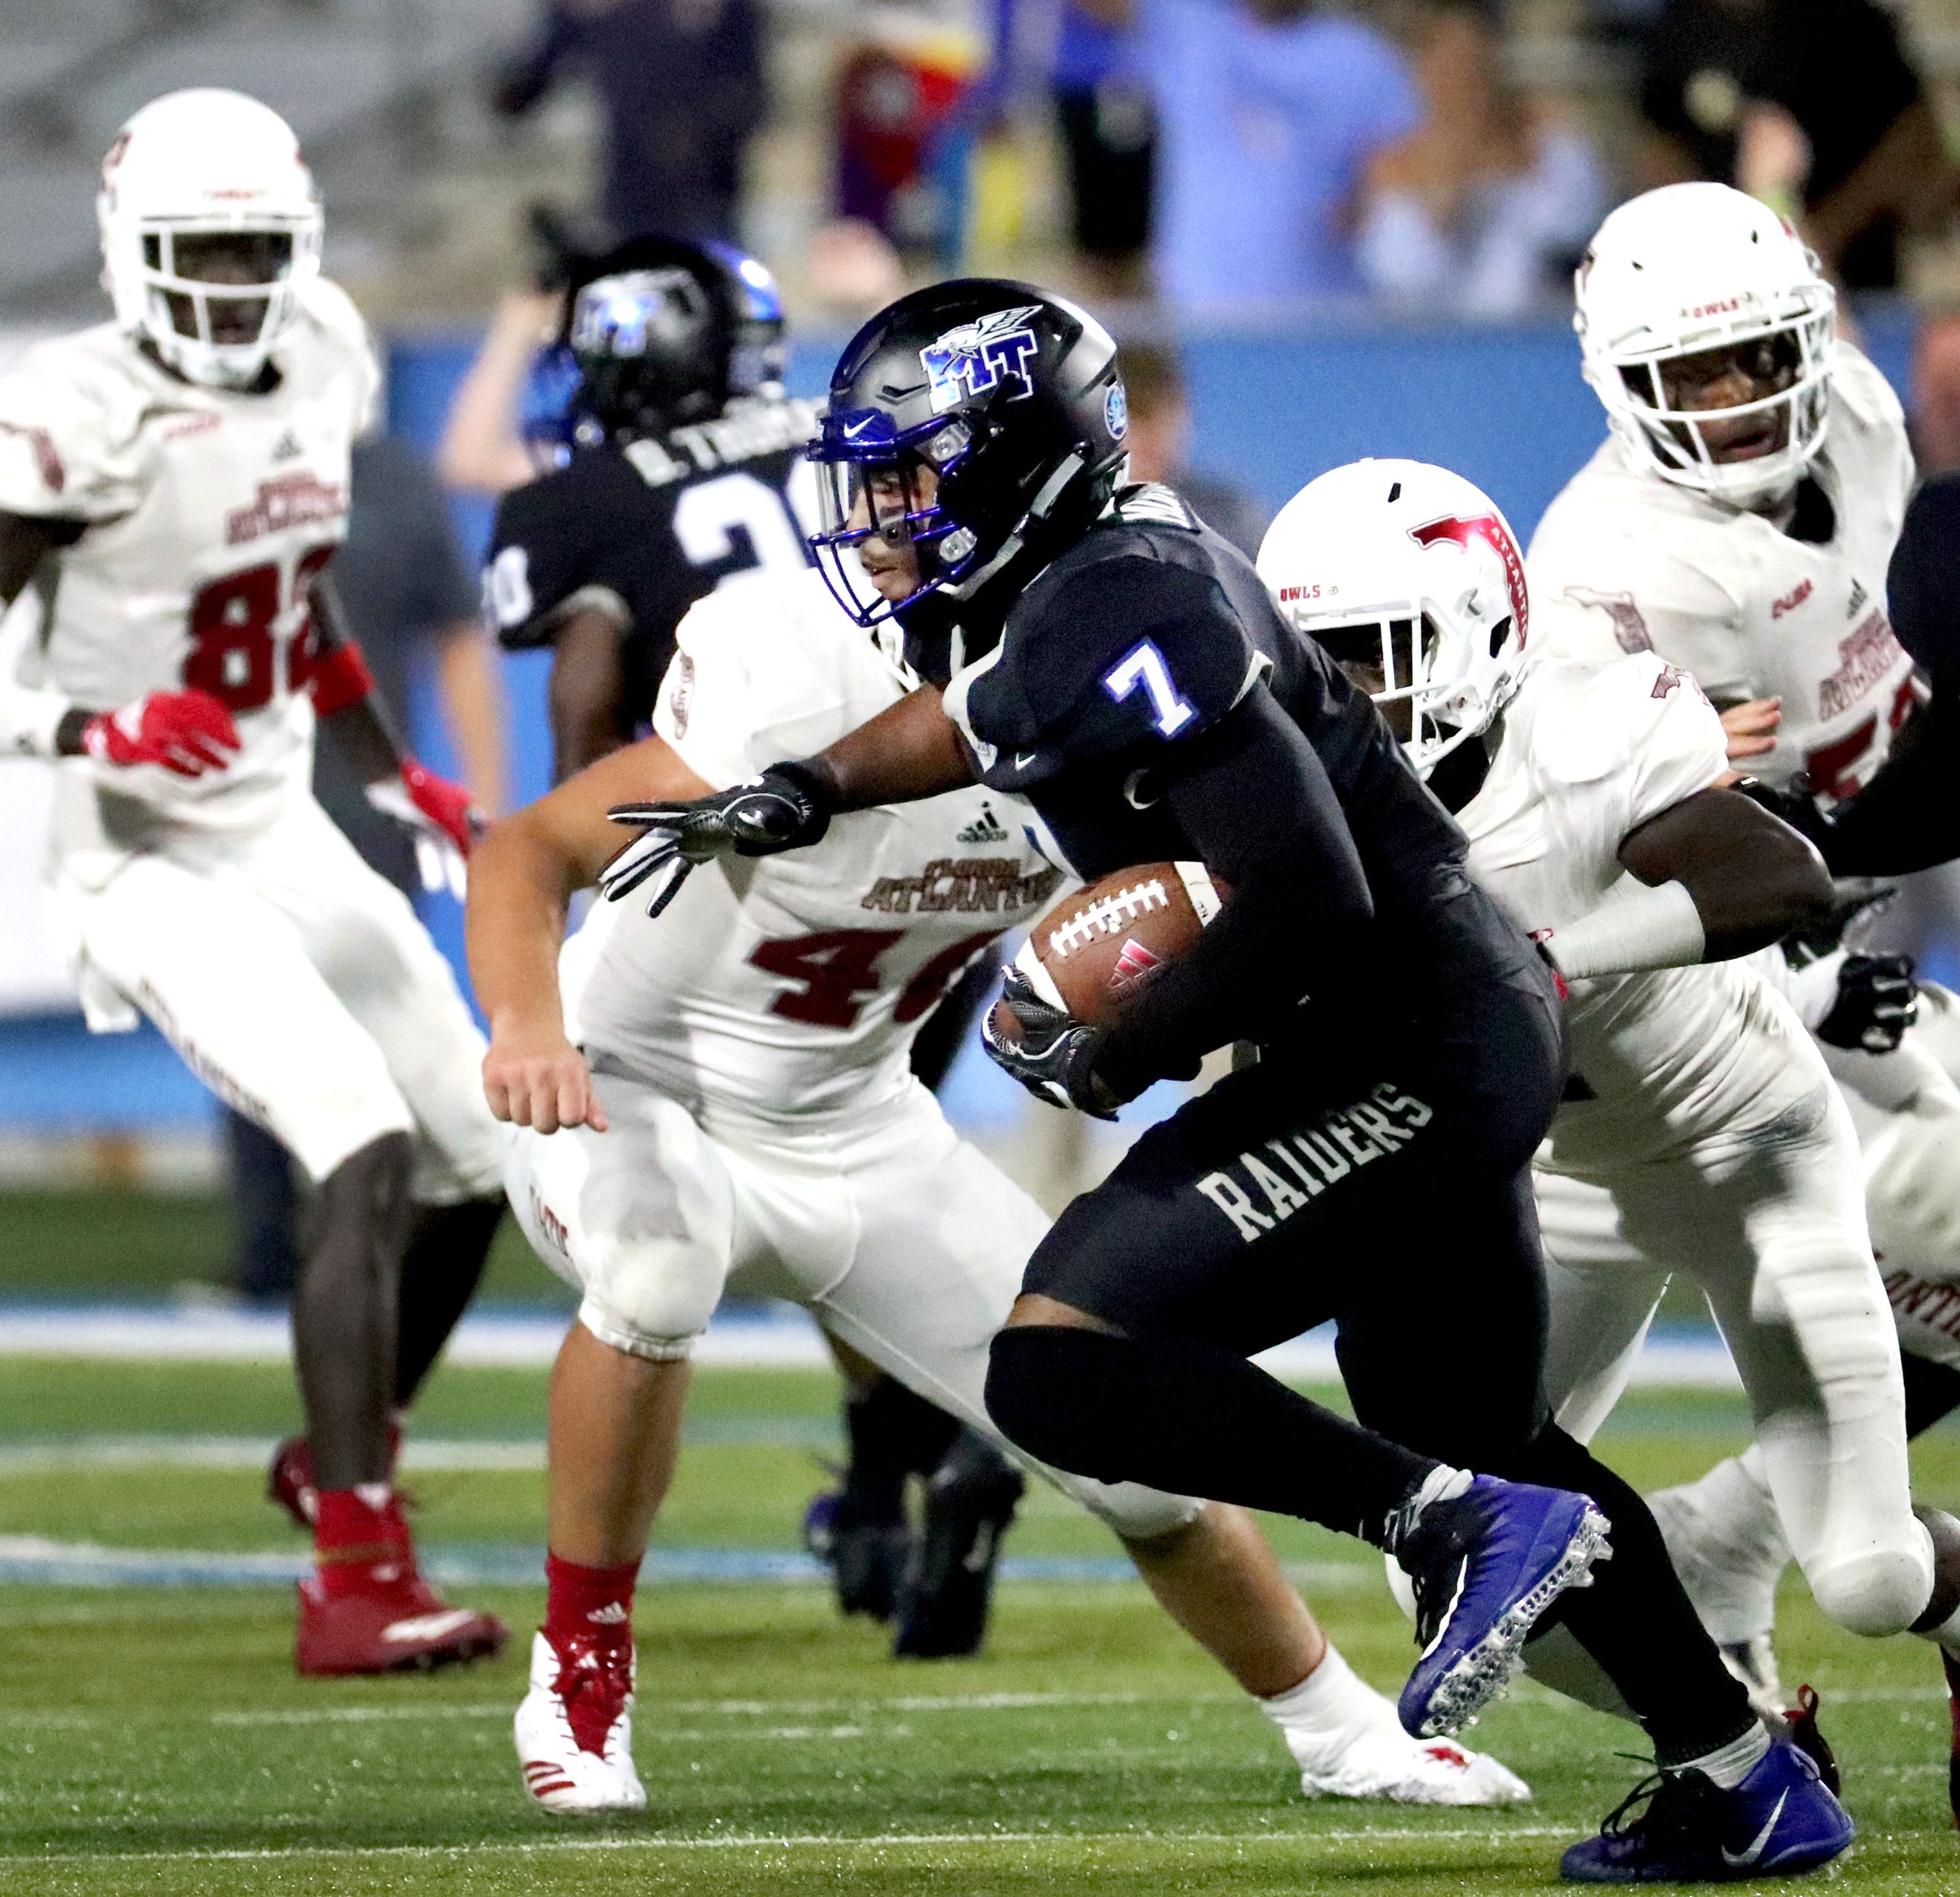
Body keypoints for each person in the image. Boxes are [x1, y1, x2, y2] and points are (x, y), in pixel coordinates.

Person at [582, 277, 1850, 1879]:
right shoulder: (1073, 587)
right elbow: (969, 721)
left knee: (1053, 1366)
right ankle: (1741, 1772)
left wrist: (1129, 1037)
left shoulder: (1121, 603)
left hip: (1406, 1038)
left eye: (908, 471)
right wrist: (800, 788)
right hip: (1434, 1024)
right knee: (1470, 1420)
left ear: (1008, 455)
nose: (879, 512)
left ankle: (1437, 1519)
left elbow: (1309, 890)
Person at [466, 559, 1533, 1813]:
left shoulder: (1089, 735)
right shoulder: (791, 688)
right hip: (631, 1085)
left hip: (857, 1123)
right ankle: (578, 1672)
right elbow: (526, 848)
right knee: (660, 1259)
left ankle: (1341, 1728)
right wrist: (527, 1022)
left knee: (1108, 1413)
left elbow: (1243, 911)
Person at [1260, 455, 1958, 1868]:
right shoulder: (1301, 788)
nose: (1350, 698)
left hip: (1744, 1149)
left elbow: (1776, 881)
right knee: (1473, 1572)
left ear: (1479, 631)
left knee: (1874, 1576)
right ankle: (1747, 1746)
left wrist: (1546, 965)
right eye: (1317, 662)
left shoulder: (1586, 719)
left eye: (1377, 655)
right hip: (1561, 1184)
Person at [0, 89, 509, 1677]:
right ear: (126, 249)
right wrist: (90, 721)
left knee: (480, 1148)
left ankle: (338, 1448)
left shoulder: (331, 352)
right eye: (195, 249)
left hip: (279, 809)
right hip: (131, 842)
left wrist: (379, 764)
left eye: (255, 249)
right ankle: (354, 1565)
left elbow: (290, 599)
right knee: (353, 1140)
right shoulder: (65, 404)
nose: (228, 282)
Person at [480, 236, 1022, 1655]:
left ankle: (877, 1482)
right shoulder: (848, 440)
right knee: (854, 1161)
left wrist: (607, 863)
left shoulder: (585, 499)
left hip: (764, 837)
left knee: (723, 1206)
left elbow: (587, 708)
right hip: (941, 867)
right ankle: (894, 1471)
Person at [1526, 178, 1960, 1811]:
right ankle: (1719, 1641)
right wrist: (1826, 951)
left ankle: (1747, 1534)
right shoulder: (1599, 576)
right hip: (1659, 1030)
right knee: (1489, 1557)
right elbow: (1644, 879)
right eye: (1687, 375)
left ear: (1810, 337)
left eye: (1752, 359)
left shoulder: (1849, 411)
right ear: (1617, 383)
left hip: (1811, 950)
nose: (1732, 400)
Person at [229, 429, 508, 1304]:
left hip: (367, 797)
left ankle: (370, 1239)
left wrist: (485, 796)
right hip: (241, 800)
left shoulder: (396, 479)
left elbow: (456, 638)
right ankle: (268, 1251)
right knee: (248, 1017)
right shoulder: (215, 458)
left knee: (384, 1014)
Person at [1635, 0, 1956, 291]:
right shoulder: (1679, 25)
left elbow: (1913, 135)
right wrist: (1725, 241)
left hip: (1859, 272)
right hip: (1725, 275)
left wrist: (1818, 235)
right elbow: (1658, 143)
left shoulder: (1850, 21)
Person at [1132, 0, 1422, 308]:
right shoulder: (1189, 30)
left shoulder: (1359, 56)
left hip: (1325, 316)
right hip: (1201, 317)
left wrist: (1364, 209)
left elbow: (1410, 172)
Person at [1357, 0, 1604, 318]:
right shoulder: (1391, 168)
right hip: (1439, 351)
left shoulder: (1554, 148)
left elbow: (1577, 234)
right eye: (1444, 65)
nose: (1459, 80)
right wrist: (1448, 192)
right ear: (1420, 72)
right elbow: (1401, 279)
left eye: (1470, 62)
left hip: (1541, 343)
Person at [490, 0, 767, 247]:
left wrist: (700, 132)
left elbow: (752, 97)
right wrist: (513, 87)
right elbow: (537, 71)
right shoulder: (604, 10)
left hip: (705, 198)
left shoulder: (722, 9)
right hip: (629, 199)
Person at [1115, 342, 1266, 560]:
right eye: (1132, 414)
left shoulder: (1227, 515)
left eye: (1156, 412)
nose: (1146, 437)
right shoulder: (1071, 519)